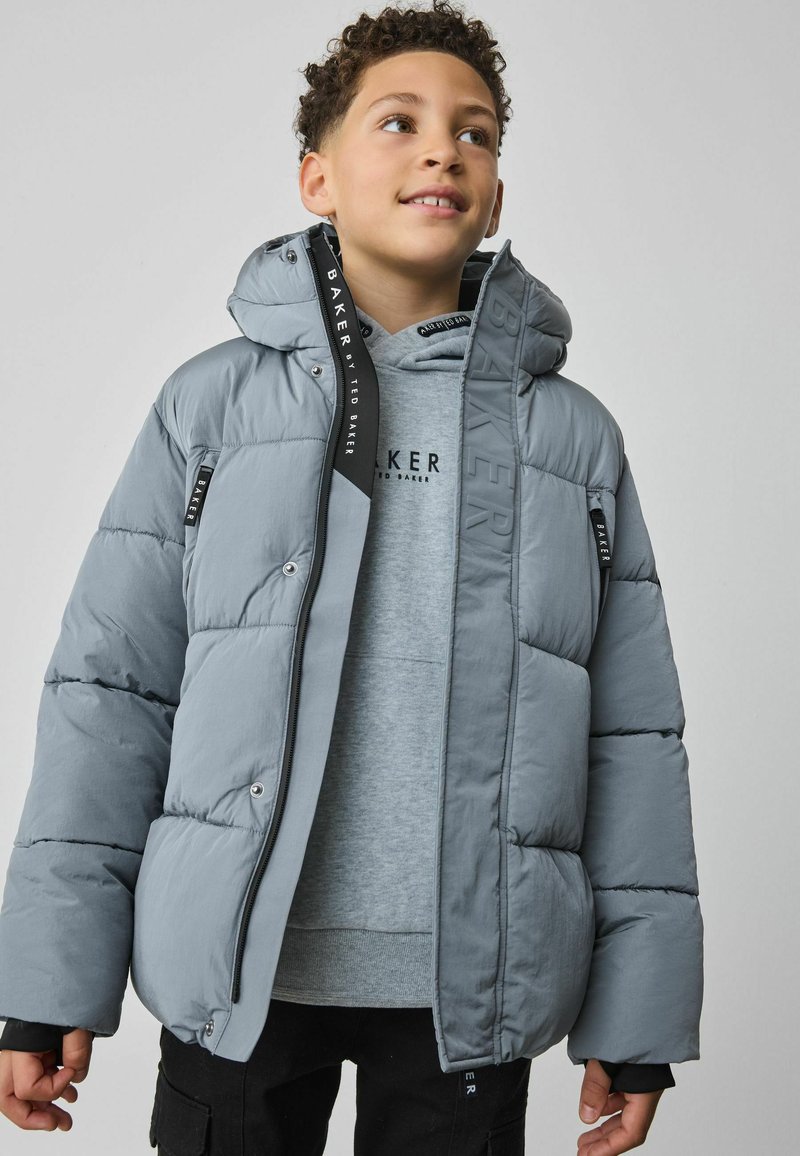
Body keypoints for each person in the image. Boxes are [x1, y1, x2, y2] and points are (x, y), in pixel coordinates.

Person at [0, 2, 703, 1153]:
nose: (443, 151)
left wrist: (635, 1021)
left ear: (495, 196)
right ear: (315, 178)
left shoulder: (570, 439)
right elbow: (111, 694)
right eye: (399, 121)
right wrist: (48, 982)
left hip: (469, 989)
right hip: (237, 976)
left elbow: (629, 737)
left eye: (474, 134)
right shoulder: (210, 408)